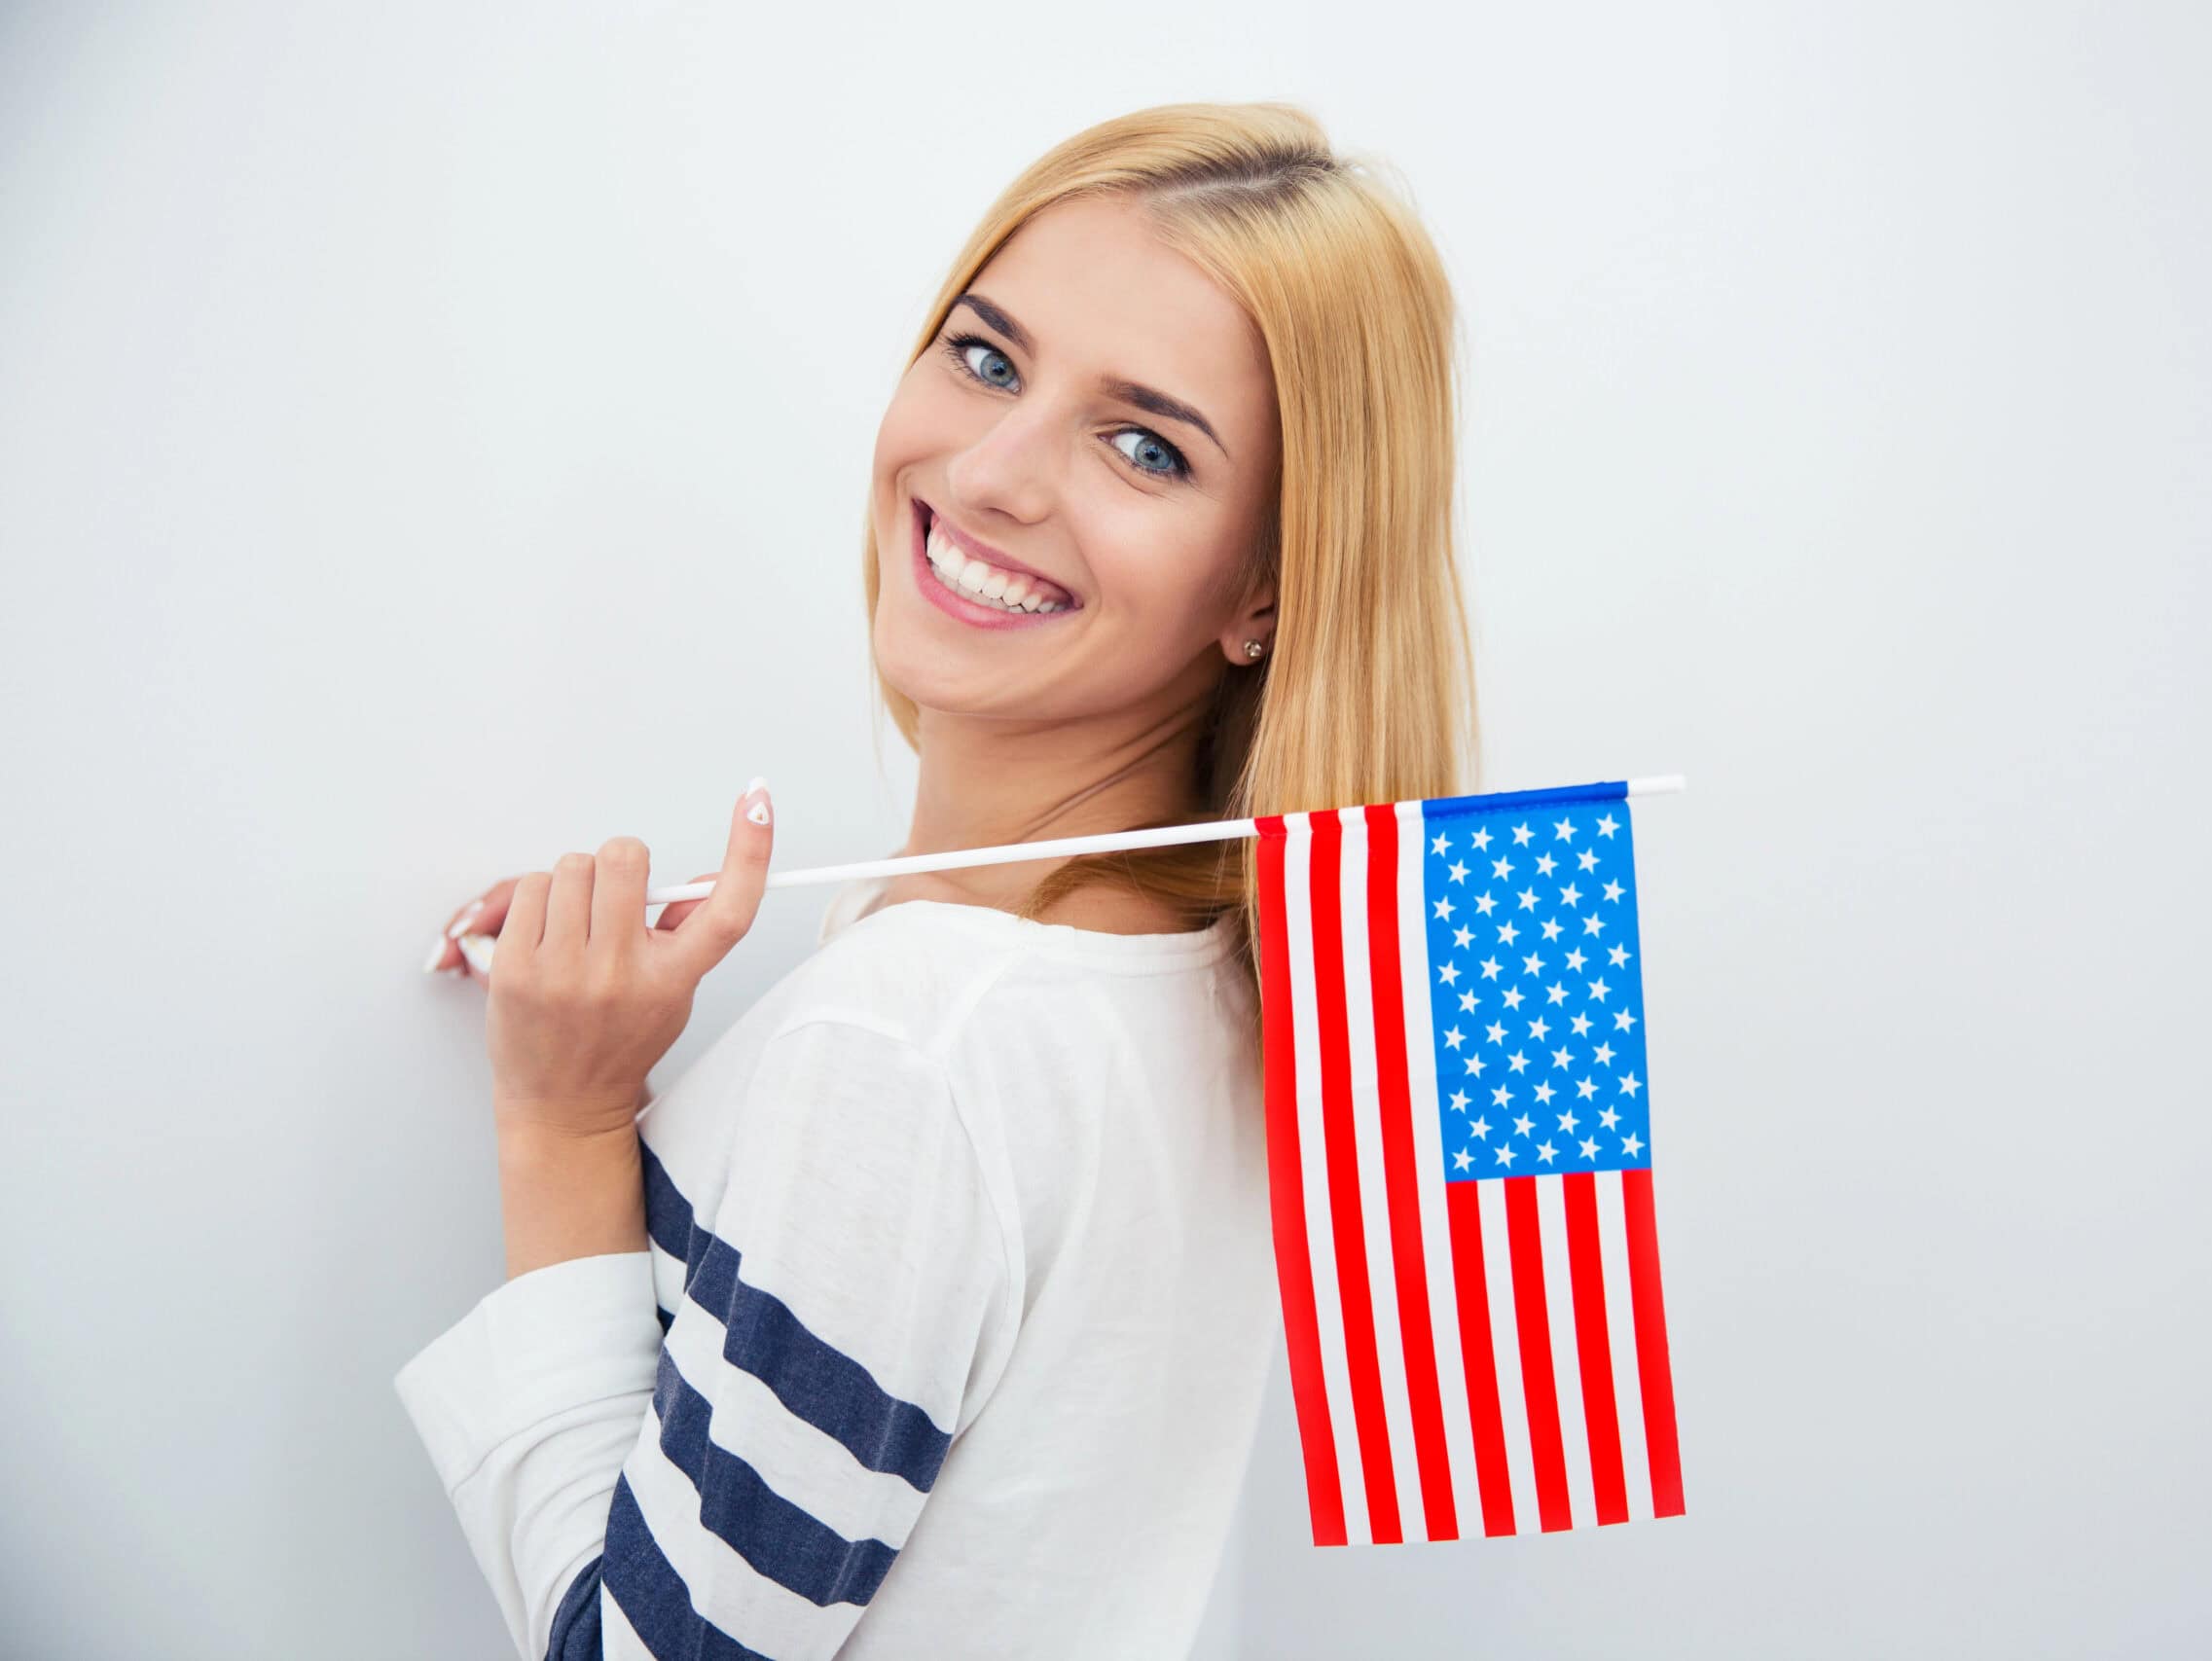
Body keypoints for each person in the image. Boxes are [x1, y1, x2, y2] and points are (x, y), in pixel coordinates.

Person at [397, 99, 1479, 1659]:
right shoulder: (1267, 984)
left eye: (1144, 444)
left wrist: (562, 1123)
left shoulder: (918, 1039)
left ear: (1265, 588)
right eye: (986, 357)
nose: (988, 471)